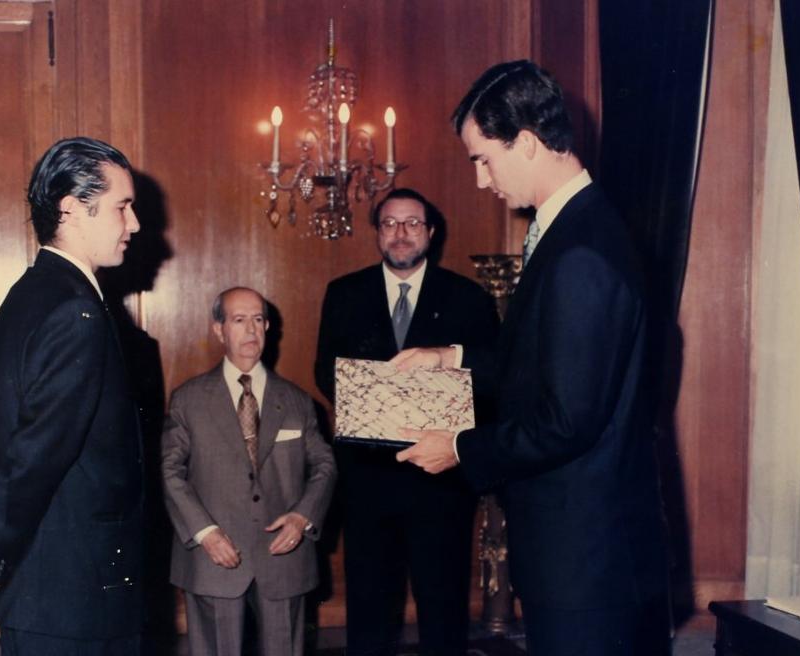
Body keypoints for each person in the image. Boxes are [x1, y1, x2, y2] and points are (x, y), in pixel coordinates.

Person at [393, 60, 671, 655]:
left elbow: (568, 419)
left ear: (525, 142)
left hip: (586, 565)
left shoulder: (581, 251)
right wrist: (453, 356)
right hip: (578, 555)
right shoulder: (572, 227)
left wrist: (459, 448)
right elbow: (548, 363)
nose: (478, 180)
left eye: (482, 158)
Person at [0, 137, 145, 655]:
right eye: (123, 207)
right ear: (72, 209)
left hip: (47, 585)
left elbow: (1, 433)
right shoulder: (76, 311)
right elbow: (38, 450)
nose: (135, 224)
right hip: (76, 590)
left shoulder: (27, 294)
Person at [314, 188, 499, 655]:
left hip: (439, 480)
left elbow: (492, 375)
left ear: (430, 233)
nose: (401, 233)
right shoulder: (343, 293)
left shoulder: (467, 297)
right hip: (367, 478)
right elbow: (325, 371)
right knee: (369, 608)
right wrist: (383, 405)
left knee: (442, 607)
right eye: (390, 223)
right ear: (377, 232)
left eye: (412, 223)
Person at [163, 287, 337, 656]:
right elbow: (170, 472)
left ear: (269, 326)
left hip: (282, 555)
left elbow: (324, 465)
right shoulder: (188, 400)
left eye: (258, 319)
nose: (251, 330)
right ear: (219, 330)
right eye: (239, 320)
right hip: (214, 557)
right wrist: (205, 533)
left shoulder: (296, 401)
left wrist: (302, 517)